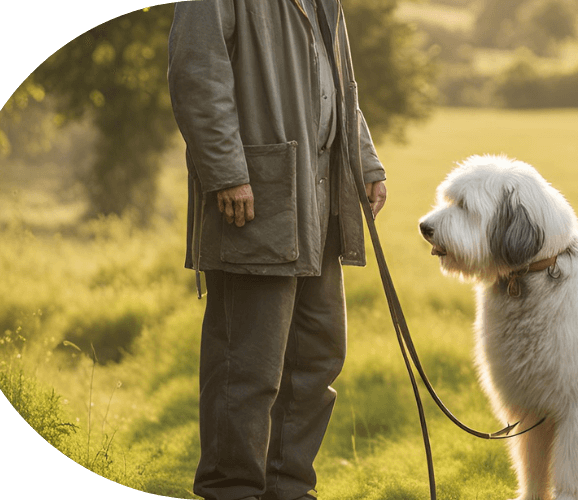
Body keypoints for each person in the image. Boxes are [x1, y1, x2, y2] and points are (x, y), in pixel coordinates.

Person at [167, 1, 387, 499]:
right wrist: (225, 172)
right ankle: (233, 490)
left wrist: (366, 161)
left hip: (321, 202)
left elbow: (340, 84)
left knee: (316, 357)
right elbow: (197, 75)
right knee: (247, 365)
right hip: (256, 197)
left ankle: (289, 488)